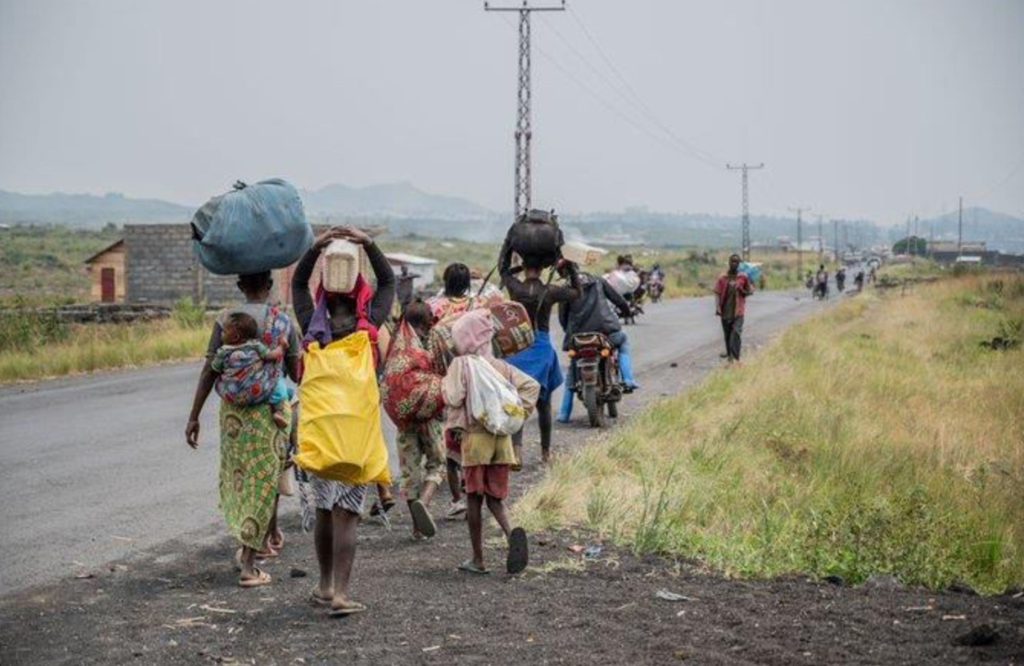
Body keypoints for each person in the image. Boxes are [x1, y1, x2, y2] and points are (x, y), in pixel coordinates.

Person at [291, 225, 395, 616]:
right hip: (354, 433)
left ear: (325, 288)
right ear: (357, 286)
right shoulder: (369, 326)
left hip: (319, 429)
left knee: (323, 508)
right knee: (346, 512)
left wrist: (315, 248)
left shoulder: (311, 325)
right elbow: (386, 281)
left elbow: (299, 284)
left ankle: (323, 585)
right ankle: (340, 594)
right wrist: (366, 243)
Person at [186, 271, 301, 588]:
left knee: (242, 481)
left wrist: (194, 416)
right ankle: (250, 566)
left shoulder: (227, 320)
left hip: (234, 419)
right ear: (270, 286)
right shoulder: (282, 322)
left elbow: (210, 369)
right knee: (266, 482)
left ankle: (263, 539)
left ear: (239, 286)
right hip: (269, 414)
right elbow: (296, 371)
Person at [442, 309, 539, 574]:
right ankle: (511, 535)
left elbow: (452, 397)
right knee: (496, 499)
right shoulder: (503, 367)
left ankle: (478, 559)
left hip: (475, 440)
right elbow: (531, 387)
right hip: (503, 441)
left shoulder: (462, 365)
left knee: (473, 498)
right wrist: (517, 415)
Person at [498, 242, 579, 465]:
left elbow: (502, 269)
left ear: (524, 267)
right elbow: (576, 292)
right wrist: (569, 266)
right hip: (542, 349)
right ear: (543, 269)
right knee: (543, 403)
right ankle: (545, 453)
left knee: (517, 400)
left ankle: (517, 452)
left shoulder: (515, 288)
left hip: (518, 349)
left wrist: (508, 244)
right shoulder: (550, 291)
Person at [385, 299, 446, 540]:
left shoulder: (395, 345)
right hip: (428, 417)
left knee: (409, 471)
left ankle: (416, 528)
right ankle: (425, 500)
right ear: (425, 323)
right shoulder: (429, 344)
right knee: (437, 463)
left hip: (404, 419)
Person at [556, 267, 637, 423]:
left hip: (578, 337)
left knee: (573, 370)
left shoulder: (565, 288)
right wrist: (626, 311)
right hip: (605, 332)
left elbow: (562, 317)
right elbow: (618, 300)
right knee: (623, 341)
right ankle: (628, 380)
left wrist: (570, 331)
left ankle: (564, 414)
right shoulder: (598, 280)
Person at [427, 262, 475, 520]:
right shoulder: (476, 306)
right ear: (468, 281)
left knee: (448, 435)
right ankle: (471, 486)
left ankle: (457, 498)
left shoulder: (434, 307)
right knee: (470, 432)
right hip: (473, 378)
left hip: (444, 381)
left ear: (445, 280)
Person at [211, 311, 292, 429]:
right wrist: (282, 346)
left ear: (235, 337)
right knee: (278, 381)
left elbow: (214, 368)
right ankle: (278, 411)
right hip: (257, 392)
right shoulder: (255, 345)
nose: (221, 334)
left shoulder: (223, 351)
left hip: (231, 395)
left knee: (219, 380)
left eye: (224, 332)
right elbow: (272, 355)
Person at [714, 254, 755, 364]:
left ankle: (736, 358)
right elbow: (717, 293)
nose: (734, 263)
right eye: (732, 261)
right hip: (725, 311)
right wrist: (717, 307)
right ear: (729, 262)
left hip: (738, 311)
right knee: (727, 335)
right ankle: (730, 358)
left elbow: (750, 291)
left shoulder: (743, 277)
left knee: (736, 333)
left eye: (736, 262)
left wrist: (742, 290)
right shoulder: (723, 278)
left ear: (739, 264)